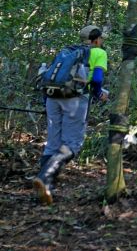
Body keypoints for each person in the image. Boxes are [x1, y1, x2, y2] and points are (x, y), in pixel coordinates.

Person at [33, 25, 109, 204]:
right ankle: (44, 177)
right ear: (96, 40)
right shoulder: (98, 53)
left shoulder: (67, 51)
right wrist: (98, 94)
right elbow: (97, 79)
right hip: (74, 99)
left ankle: (44, 191)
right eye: (101, 39)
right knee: (72, 143)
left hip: (52, 97)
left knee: (52, 144)